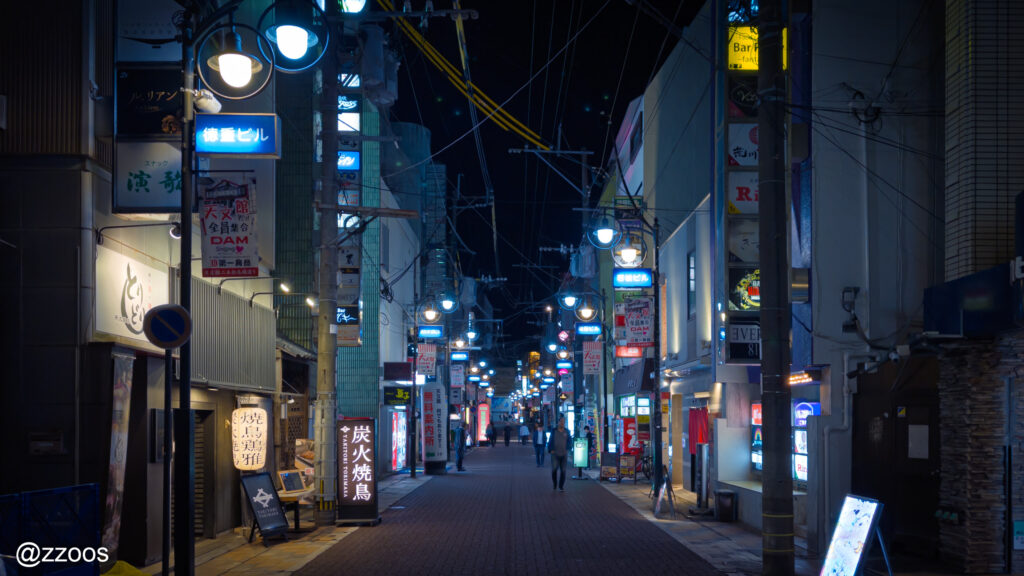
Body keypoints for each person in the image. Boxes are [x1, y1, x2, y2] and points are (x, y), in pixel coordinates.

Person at [547, 417, 572, 491]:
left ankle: (561, 486)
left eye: (563, 422)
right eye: (561, 421)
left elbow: (569, 441)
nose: (562, 423)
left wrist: (568, 448)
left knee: (563, 471)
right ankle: (555, 484)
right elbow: (550, 440)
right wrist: (550, 449)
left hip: (564, 454)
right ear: (558, 422)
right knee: (554, 469)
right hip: (555, 454)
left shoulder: (567, 431)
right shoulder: (554, 431)